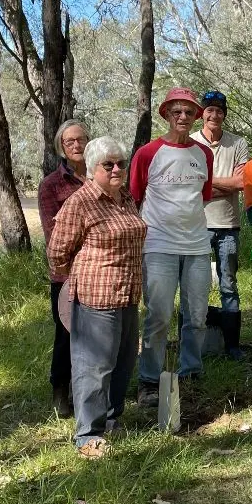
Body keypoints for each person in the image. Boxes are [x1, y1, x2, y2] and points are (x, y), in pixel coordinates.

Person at [46, 137, 147, 459]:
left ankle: (111, 420)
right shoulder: (80, 202)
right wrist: (86, 272)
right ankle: (88, 436)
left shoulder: (125, 197)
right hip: (97, 297)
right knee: (94, 368)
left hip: (128, 294)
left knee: (123, 362)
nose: (117, 169)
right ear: (92, 169)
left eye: (120, 163)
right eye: (108, 164)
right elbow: (57, 253)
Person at [130, 87, 214, 408]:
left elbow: (202, 197)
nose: (183, 117)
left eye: (189, 112)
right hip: (158, 245)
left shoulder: (203, 154)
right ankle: (149, 380)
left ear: (196, 117)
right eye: (176, 111)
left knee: (197, 315)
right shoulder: (148, 153)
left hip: (197, 246)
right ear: (166, 114)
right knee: (159, 315)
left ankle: (190, 371)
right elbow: (134, 197)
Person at [37, 119, 90, 418]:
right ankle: (60, 389)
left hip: (101, 271)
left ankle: (89, 390)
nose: (76, 145)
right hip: (67, 273)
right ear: (61, 147)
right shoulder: (51, 185)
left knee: (97, 333)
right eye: (70, 141)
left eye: (81, 139)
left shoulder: (100, 176)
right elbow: (53, 234)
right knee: (67, 333)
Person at [192, 90, 250, 359]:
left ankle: (232, 346)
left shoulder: (237, 143)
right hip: (197, 225)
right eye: (209, 110)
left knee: (229, 284)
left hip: (228, 225)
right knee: (197, 284)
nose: (214, 115)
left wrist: (205, 181)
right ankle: (196, 343)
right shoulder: (191, 143)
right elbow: (189, 185)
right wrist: (219, 184)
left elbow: (240, 183)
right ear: (202, 114)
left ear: (224, 114)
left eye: (219, 110)